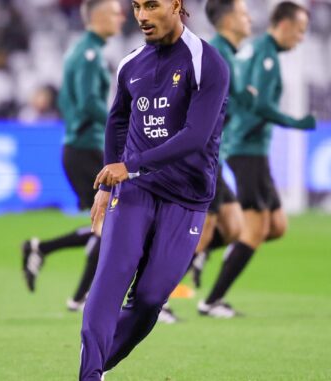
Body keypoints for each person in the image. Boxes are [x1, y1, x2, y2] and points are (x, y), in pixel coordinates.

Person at [79, 0, 229, 379]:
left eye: (151, 5)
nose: (142, 16)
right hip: (134, 191)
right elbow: (117, 122)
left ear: (176, 5)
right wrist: (108, 183)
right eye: (135, 6)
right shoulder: (131, 65)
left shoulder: (206, 62)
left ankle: (102, 364)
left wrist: (129, 165)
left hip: (187, 196)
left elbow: (195, 137)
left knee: (148, 300)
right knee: (109, 279)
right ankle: (89, 375)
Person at [199, 1, 316, 317]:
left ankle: (217, 255)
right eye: (301, 30)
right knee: (257, 226)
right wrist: (295, 122)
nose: (301, 38)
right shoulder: (262, 54)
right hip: (245, 150)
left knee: (277, 226)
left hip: (253, 151)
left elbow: (245, 99)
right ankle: (211, 301)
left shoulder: (256, 53)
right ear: (286, 25)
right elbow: (258, 105)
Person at [21, 0, 125, 312]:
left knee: (109, 223)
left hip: (80, 147)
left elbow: (73, 104)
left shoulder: (82, 51)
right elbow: (89, 103)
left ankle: (43, 252)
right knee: (114, 222)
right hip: (86, 148)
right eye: (116, 12)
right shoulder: (89, 55)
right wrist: (122, 122)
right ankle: (80, 296)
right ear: (99, 16)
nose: (122, 17)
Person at [183, 0, 254, 316]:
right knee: (203, 230)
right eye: (243, 12)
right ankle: (157, 297)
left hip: (215, 156)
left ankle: (183, 264)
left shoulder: (229, 55)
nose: (248, 18)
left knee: (235, 227)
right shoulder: (217, 55)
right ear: (227, 20)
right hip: (202, 156)